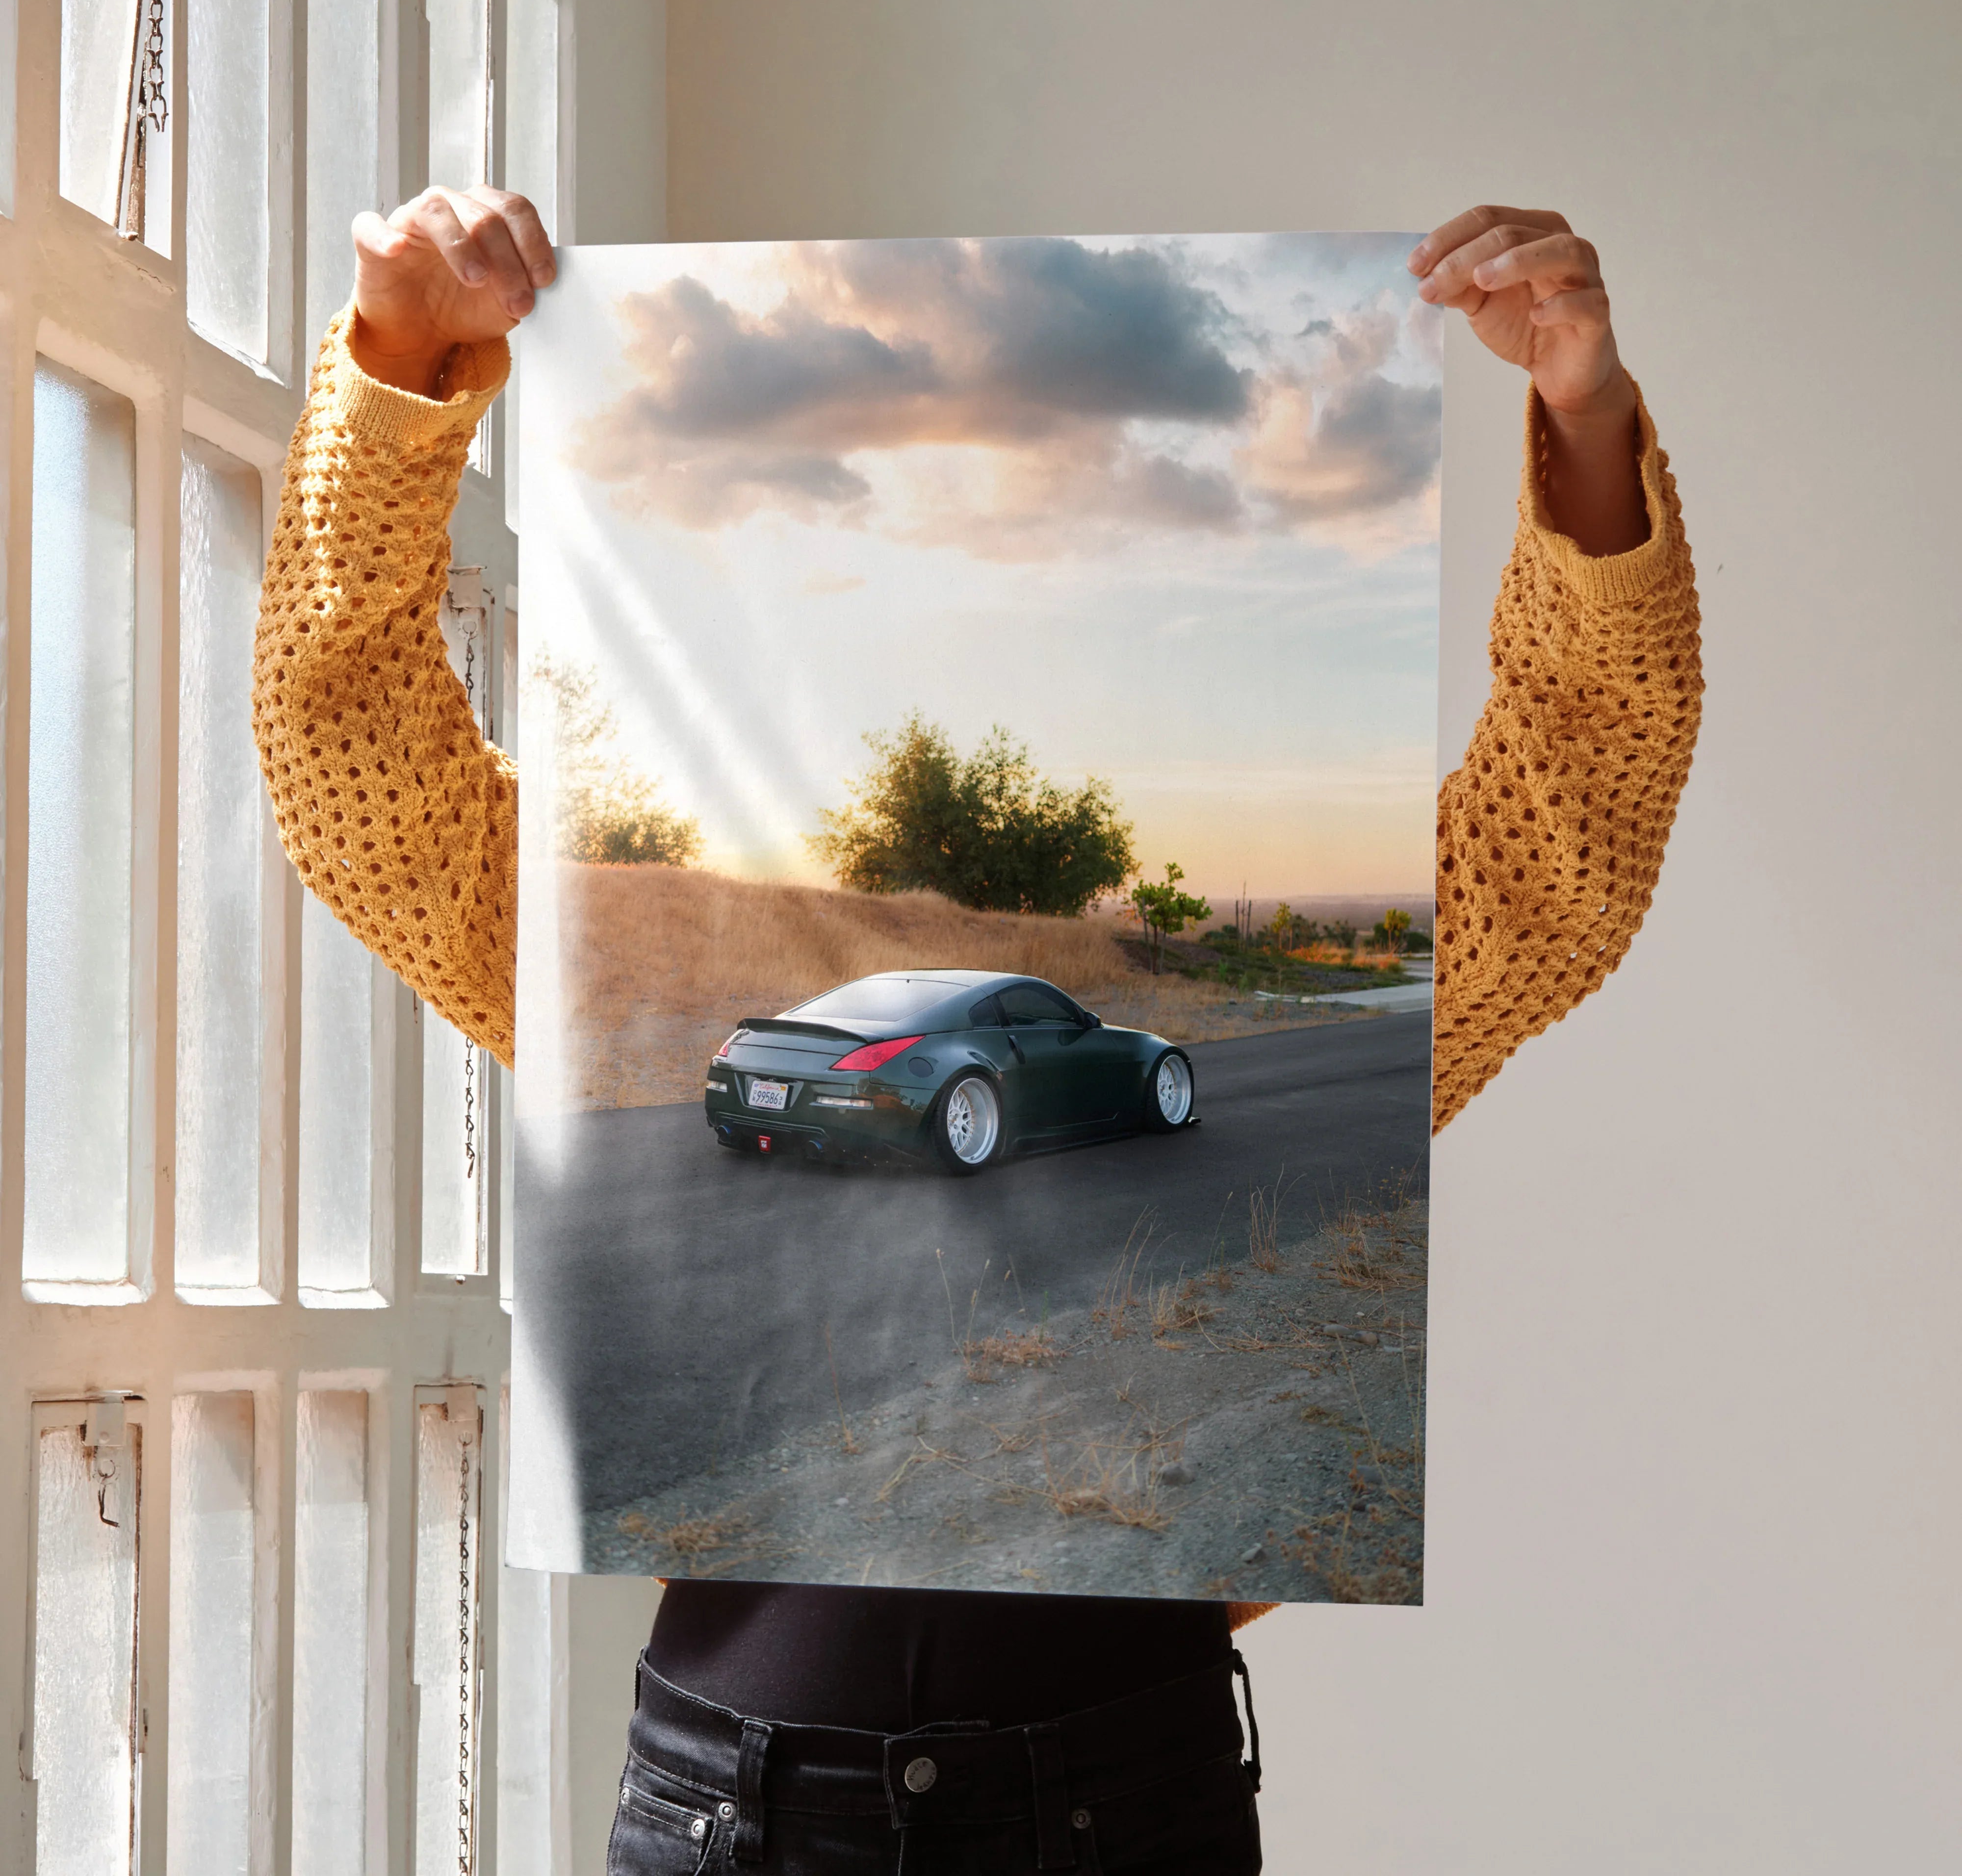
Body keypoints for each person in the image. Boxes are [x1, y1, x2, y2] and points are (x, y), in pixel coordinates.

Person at [254, 190, 1700, 1875]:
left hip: (1119, 1795)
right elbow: (352, 767)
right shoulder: (635, 973)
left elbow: (1567, 841)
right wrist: (398, 367)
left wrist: (1585, 419)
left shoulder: (1123, 1047)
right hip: (739, 1810)